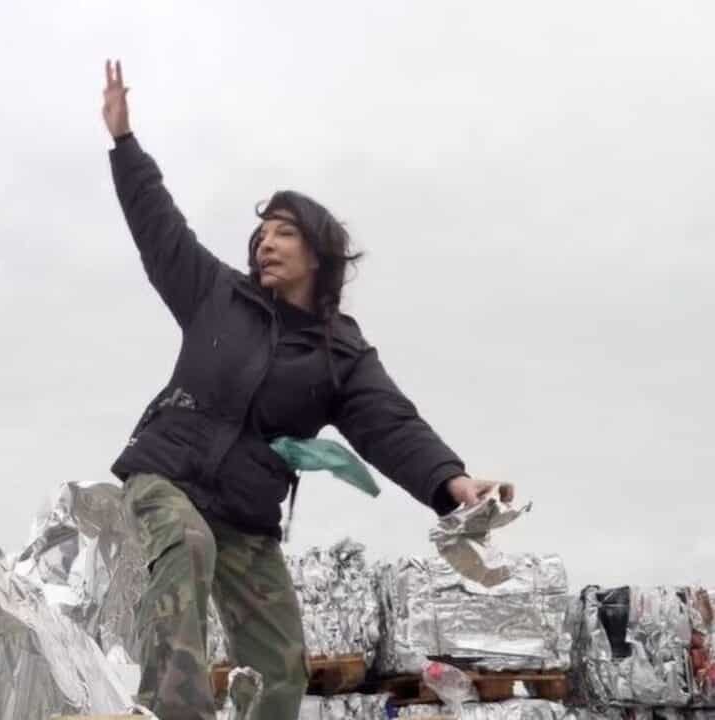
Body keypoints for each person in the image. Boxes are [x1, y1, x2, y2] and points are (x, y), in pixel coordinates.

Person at [100, 59, 516, 720]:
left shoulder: (340, 353)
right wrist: (125, 145)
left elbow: (391, 424)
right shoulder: (214, 295)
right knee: (186, 545)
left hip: (245, 514)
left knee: (280, 665)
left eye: (284, 232)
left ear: (318, 253)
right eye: (262, 231)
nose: (267, 242)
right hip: (166, 481)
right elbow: (159, 227)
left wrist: (452, 483)